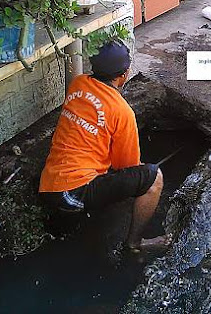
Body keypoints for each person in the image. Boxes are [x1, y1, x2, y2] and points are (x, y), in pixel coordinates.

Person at [39, 40, 167, 252]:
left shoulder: (78, 84)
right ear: (124, 75)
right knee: (154, 178)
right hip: (74, 194)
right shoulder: (122, 111)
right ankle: (135, 244)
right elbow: (125, 165)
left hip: (49, 185)